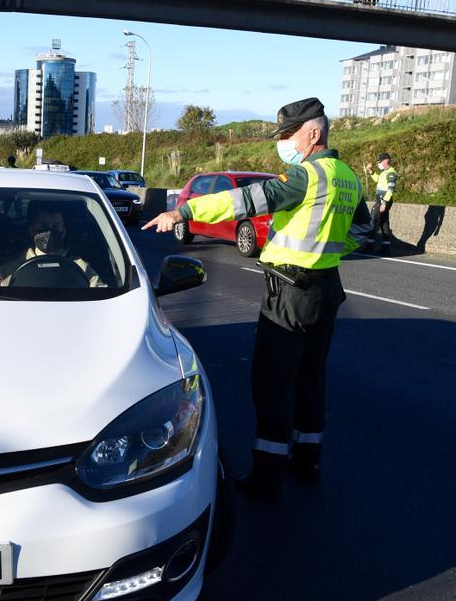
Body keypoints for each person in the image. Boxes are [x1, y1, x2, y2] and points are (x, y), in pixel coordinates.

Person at [144, 97, 372, 500]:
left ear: (314, 133)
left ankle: (268, 478)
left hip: (290, 292)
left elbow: (247, 200)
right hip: (326, 289)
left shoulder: (307, 176)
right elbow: (363, 230)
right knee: (310, 378)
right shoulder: (348, 176)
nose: (283, 142)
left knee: (272, 382)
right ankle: (308, 461)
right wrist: (326, 252)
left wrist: (184, 213)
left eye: (288, 134)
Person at [0, 204, 106, 288]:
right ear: (32, 230)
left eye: (56, 225)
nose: (50, 231)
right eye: (43, 225)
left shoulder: (80, 267)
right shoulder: (9, 269)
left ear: (64, 231)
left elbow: (100, 293)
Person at [363, 152, 397, 252]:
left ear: (386, 161)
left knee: (372, 220)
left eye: (380, 161)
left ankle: (369, 246)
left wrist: (384, 203)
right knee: (384, 223)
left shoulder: (391, 173)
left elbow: (391, 189)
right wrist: (370, 171)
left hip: (383, 200)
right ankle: (386, 248)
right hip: (382, 200)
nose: (379, 164)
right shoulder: (384, 172)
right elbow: (377, 179)